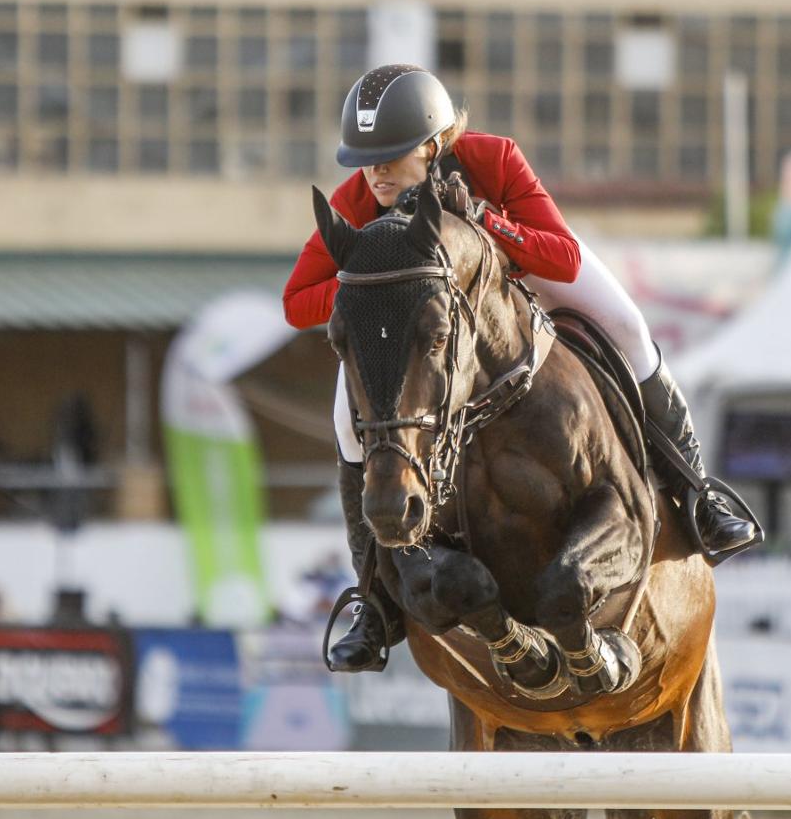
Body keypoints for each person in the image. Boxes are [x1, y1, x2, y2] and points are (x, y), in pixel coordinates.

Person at [283, 64, 757, 673]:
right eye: (364, 159)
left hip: (525, 274)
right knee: (350, 423)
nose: (374, 174)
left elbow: (558, 253)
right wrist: (380, 288)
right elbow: (297, 301)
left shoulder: (491, 159)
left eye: (390, 157)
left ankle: (697, 494)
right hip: (427, 318)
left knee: (630, 329)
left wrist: (487, 224)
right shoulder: (355, 200)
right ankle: (373, 600)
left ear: (433, 145)